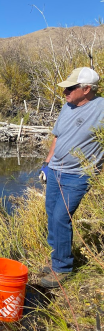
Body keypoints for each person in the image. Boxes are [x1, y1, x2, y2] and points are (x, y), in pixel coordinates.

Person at [39, 67, 104, 288]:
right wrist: (47, 164)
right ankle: (57, 258)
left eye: (70, 87)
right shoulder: (66, 107)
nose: (65, 91)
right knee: (51, 215)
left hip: (78, 175)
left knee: (60, 217)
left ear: (86, 89)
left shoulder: (101, 108)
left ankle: (62, 269)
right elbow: (58, 137)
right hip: (56, 170)